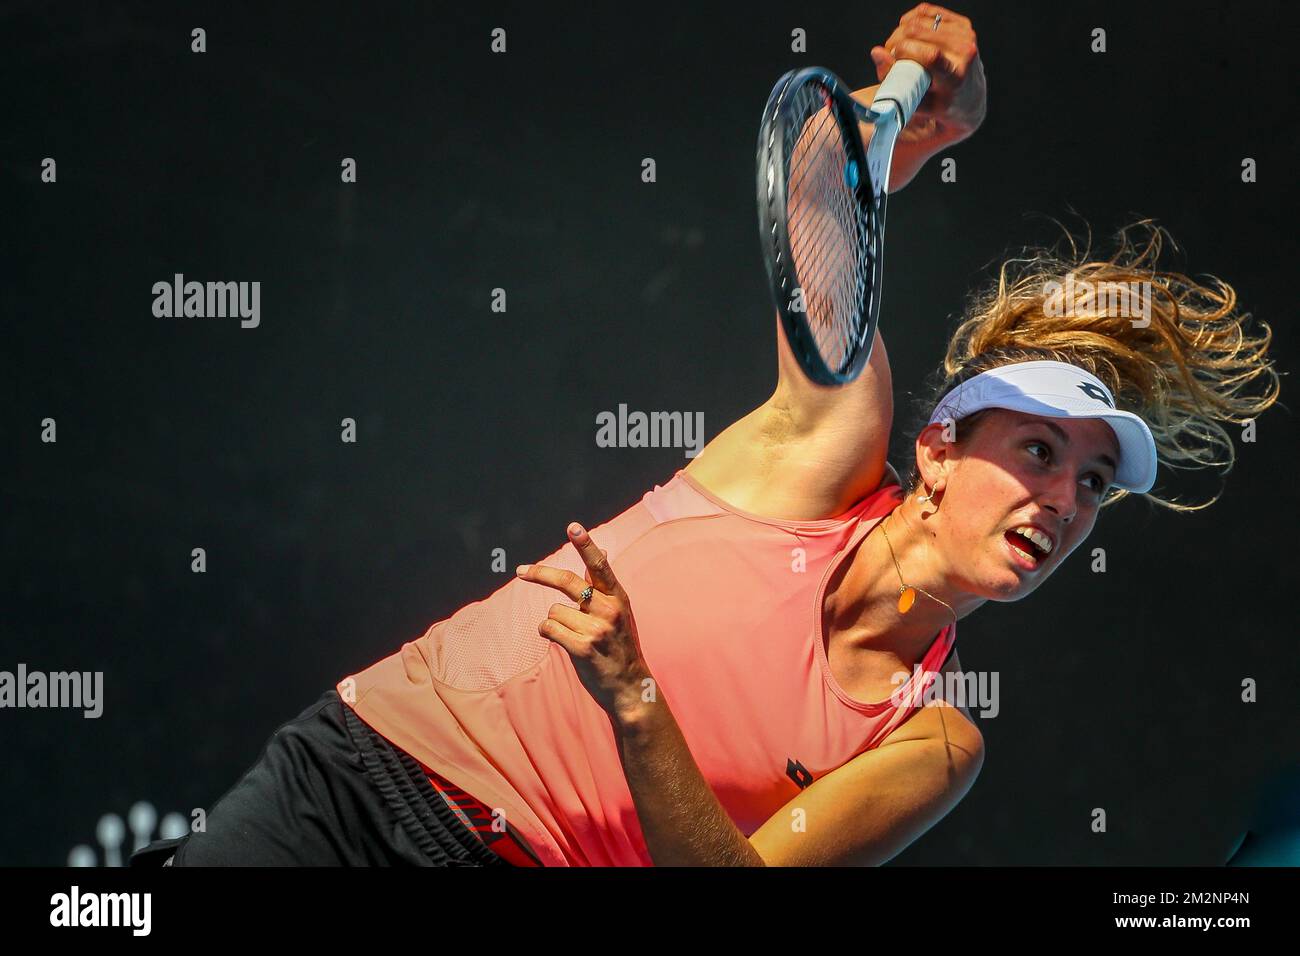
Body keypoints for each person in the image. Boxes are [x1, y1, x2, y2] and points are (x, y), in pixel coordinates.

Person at [130, 4, 1280, 868]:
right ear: (935, 447)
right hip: (355, 777)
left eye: (1090, 484)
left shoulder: (933, 745)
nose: (1064, 502)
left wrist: (635, 696)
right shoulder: (828, 444)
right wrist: (919, 137)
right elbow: (821, 197)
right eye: (1038, 452)